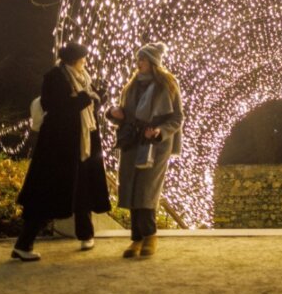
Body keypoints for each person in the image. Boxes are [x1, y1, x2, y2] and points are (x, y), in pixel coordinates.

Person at [13, 42, 111, 261]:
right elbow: (53, 105)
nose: (86, 61)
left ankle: (85, 234)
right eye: (83, 58)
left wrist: (98, 97)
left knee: (82, 190)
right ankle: (24, 244)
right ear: (74, 59)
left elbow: (89, 104)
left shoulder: (83, 76)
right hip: (58, 148)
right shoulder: (55, 77)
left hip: (82, 145)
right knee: (47, 194)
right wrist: (86, 99)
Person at [107, 42, 183, 258]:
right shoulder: (131, 86)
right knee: (131, 188)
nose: (138, 63)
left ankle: (149, 236)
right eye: (138, 59)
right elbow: (125, 113)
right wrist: (114, 114)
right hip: (132, 142)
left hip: (155, 145)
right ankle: (136, 239)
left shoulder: (168, 85)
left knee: (146, 189)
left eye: (142, 59)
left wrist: (159, 131)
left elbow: (177, 117)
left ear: (153, 62)